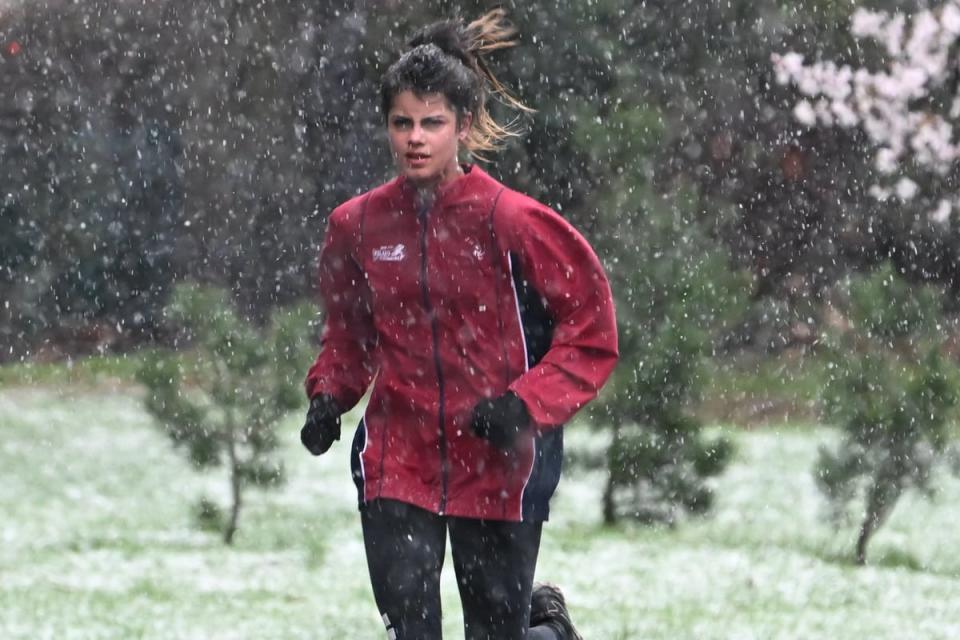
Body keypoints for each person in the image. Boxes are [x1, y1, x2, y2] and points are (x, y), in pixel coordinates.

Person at [301, 10, 618, 640]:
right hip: (400, 455)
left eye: (432, 123)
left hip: (500, 459)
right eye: (402, 123)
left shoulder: (517, 223)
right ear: (388, 127)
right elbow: (350, 336)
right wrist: (329, 396)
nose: (416, 138)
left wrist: (525, 405)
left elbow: (591, 330)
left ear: (462, 127)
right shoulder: (355, 226)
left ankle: (546, 632)